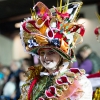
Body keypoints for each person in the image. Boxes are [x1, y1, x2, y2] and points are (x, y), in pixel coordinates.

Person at [19, 1, 92, 100]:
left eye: (51, 52)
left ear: (61, 55)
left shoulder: (78, 81)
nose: (45, 57)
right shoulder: (34, 81)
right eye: (42, 53)